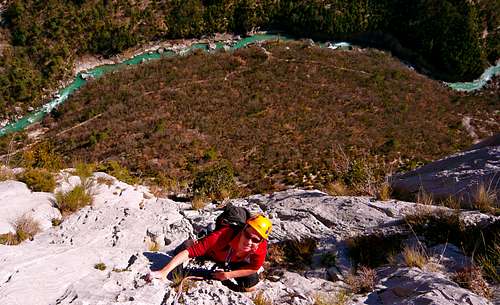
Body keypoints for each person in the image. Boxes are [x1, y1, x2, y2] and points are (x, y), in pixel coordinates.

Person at [151, 214, 272, 292]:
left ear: (261, 241)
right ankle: (192, 242)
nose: (249, 241)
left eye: (255, 239)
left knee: (250, 286)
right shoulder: (221, 236)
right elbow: (189, 252)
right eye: (247, 235)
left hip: (232, 260)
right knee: (188, 249)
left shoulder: (260, 248)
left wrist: (227, 275)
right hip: (212, 252)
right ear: (243, 230)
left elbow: (254, 268)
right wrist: (163, 272)